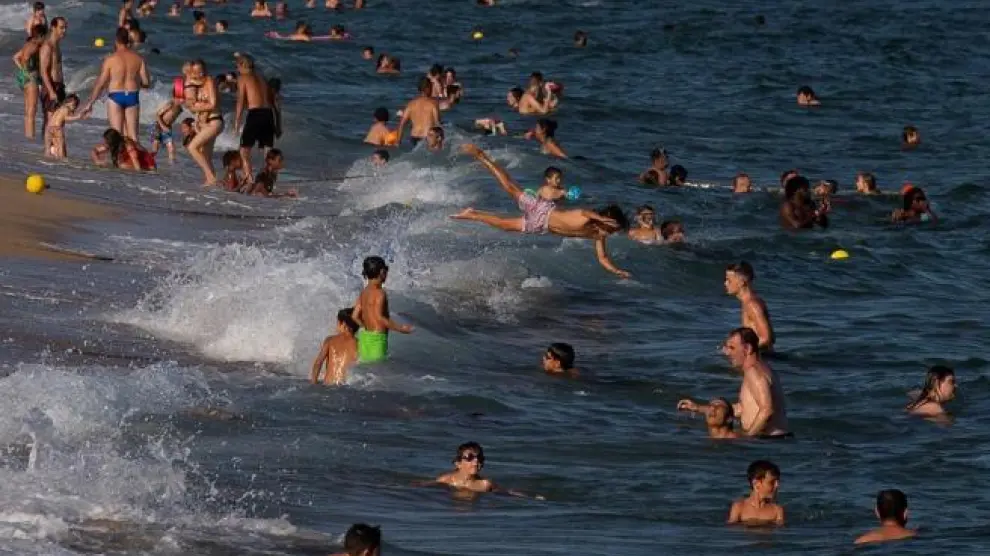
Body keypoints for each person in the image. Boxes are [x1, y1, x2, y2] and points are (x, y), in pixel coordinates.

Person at [452, 144, 631, 278]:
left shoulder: (597, 235)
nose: (610, 233)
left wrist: (617, 271)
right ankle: (481, 155)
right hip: (542, 209)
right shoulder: (586, 219)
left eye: (613, 231)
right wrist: (600, 217)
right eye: (611, 228)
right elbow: (585, 212)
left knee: (504, 225)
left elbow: (603, 258)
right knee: (510, 187)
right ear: (605, 221)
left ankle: (472, 214)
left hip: (540, 225)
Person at [677, 327, 789, 437]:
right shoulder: (760, 369)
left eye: (732, 348)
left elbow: (767, 410)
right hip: (771, 440)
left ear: (747, 349)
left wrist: (748, 437)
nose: (727, 353)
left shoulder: (753, 372)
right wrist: (698, 408)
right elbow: (743, 408)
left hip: (769, 440)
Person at [80, 27, 150, 143]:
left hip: (116, 96)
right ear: (128, 41)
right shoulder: (138, 59)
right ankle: (135, 155)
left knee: (117, 136)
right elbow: (146, 83)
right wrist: (135, 82)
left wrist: (90, 103)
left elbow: (100, 84)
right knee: (133, 137)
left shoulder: (110, 60)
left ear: (116, 41)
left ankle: (119, 155)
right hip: (132, 96)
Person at [350, 257, 412, 363]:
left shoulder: (364, 292)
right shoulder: (380, 293)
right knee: (378, 369)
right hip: (378, 339)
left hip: (365, 336)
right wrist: (400, 328)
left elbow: (354, 316)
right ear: (382, 272)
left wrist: (365, 326)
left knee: (367, 369)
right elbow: (380, 317)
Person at [432, 442, 541, 499]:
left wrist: (533, 497)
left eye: (479, 458)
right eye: (470, 458)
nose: (475, 462)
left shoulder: (485, 484)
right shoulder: (446, 480)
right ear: (458, 463)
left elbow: (508, 492)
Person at [234, 54, 277, 182]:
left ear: (242, 65)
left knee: (244, 150)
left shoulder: (243, 78)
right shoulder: (262, 78)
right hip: (268, 114)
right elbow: (273, 100)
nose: (237, 69)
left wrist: (237, 122)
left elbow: (240, 101)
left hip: (255, 114)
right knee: (267, 150)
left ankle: (249, 179)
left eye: (237, 66)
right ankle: (269, 180)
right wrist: (278, 124)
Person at [184, 59, 224, 185]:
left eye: (202, 70)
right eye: (196, 71)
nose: (200, 73)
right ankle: (211, 182)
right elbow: (193, 106)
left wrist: (195, 107)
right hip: (206, 123)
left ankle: (211, 178)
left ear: (205, 69)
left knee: (192, 147)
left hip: (214, 121)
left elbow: (212, 104)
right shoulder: (198, 86)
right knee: (205, 155)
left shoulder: (209, 81)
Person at [724, 262, 774, 351]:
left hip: (764, 356)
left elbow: (766, 338)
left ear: (741, 282)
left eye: (729, 280)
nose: (725, 283)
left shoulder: (752, 305)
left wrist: (741, 351)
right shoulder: (748, 302)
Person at [12, 24, 47, 139]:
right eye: (44, 36)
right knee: (32, 110)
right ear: (40, 36)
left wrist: (23, 71)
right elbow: (26, 58)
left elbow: (15, 57)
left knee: (28, 110)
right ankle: (30, 136)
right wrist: (28, 71)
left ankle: (28, 136)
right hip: (31, 78)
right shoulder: (35, 46)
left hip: (23, 77)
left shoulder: (27, 44)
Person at [310, 308, 360, 386]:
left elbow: (318, 363)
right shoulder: (359, 344)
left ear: (343, 324)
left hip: (328, 385)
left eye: (337, 322)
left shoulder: (330, 340)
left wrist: (313, 383)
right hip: (346, 386)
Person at [727, 460, 785, 526]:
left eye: (778, 482)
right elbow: (731, 528)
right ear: (756, 484)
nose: (777, 485)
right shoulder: (739, 507)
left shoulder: (777, 510)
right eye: (772, 482)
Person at [39, 16, 67, 135]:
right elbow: (43, 71)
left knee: (59, 122)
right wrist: (51, 91)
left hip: (59, 86)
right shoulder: (47, 46)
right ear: (53, 28)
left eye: (65, 28)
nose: (64, 30)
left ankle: (56, 146)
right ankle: (47, 147)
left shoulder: (57, 45)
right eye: (61, 28)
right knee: (50, 122)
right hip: (51, 86)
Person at [396, 77, 441, 146]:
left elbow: (401, 124)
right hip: (426, 138)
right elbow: (437, 124)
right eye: (431, 87)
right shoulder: (433, 104)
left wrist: (398, 142)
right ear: (427, 88)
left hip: (413, 137)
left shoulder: (411, 104)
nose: (432, 90)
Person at [91, 128, 156, 170]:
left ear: (112, 141)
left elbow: (136, 163)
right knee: (117, 165)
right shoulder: (112, 144)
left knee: (121, 166)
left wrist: (138, 177)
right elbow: (94, 151)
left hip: (148, 163)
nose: (105, 144)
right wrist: (97, 161)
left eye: (106, 142)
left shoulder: (128, 145)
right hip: (133, 161)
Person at [44, 94, 82, 159]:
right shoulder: (66, 109)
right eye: (75, 106)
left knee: (48, 148)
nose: (75, 108)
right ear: (70, 103)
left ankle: (47, 157)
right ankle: (61, 159)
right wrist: (78, 117)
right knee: (60, 146)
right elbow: (66, 118)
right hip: (57, 128)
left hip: (48, 128)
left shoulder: (60, 108)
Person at [150, 99, 183, 163]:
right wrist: (162, 126)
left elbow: (171, 119)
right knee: (155, 148)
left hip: (167, 127)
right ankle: (149, 161)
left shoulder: (180, 109)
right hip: (158, 126)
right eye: (180, 98)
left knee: (171, 148)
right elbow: (157, 115)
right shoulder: (170, 104)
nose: (182, 101)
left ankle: (172, 164)